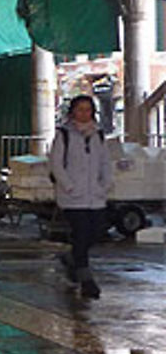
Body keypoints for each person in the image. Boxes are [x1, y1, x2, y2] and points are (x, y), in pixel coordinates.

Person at [48, 94, 110, 300]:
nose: (84, 113)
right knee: (82, 234)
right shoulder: (64, 134)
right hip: (73, 197)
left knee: (96, 232)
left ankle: (71, 258)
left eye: (88, 109)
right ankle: (86, 280)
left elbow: (105, 162)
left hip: (96, 196)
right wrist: (69, 186)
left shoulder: (99, 134)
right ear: (72, 111)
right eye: (80, 109)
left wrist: (105, 184)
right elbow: (56, 164)